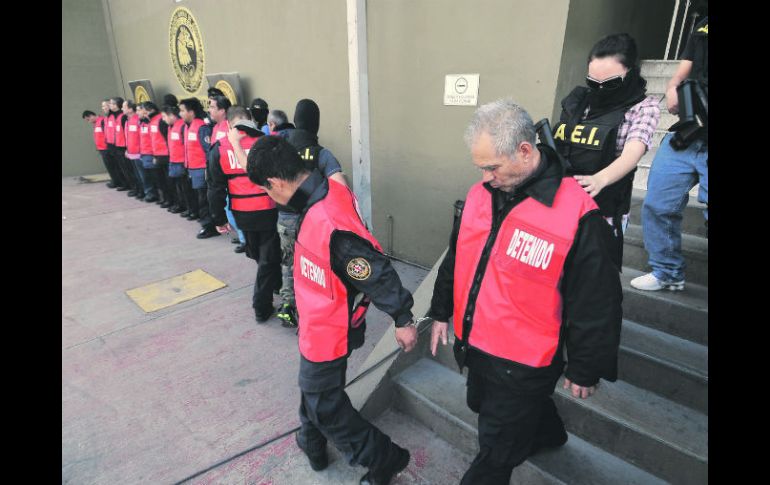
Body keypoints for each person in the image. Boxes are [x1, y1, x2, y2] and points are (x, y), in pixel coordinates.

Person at [429, 99, 622, 485]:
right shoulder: (482, 193)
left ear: (524, 150)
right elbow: (458, 256)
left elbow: (597, 300)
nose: (486, 177)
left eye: (492, 167)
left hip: (525, 361)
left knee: (495, 450)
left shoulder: (578, 215)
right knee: (479, 403)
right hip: (478, 340)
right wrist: (439, 310)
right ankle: (548, 434)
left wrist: (586, 366)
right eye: (480, 167)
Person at [245, 135, 417, 485]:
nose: (268, 196)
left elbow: (374, 270)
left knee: (324, 403)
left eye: (265, 190)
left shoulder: (328, 222)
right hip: (317, 323)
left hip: (330, 332)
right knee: (315, 391)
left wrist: (402, 317)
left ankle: (384, 458)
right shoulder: (323, 192)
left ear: (276, 183)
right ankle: (312, 441)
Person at [553, 33, 660, 269]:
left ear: (630, 72)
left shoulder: (644, 107)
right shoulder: (579, 100)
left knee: (593, 283)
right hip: (562, 206)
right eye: (593, 83)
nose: (600, 90)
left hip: (604, 212)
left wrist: (599, 179)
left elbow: (633, 153)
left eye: (610, 83)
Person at [631, 16, 708, 292]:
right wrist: (673, 86)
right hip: (689, 130)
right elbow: (685, 67)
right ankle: (667, 272)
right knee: (658, 203)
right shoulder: (703, 23)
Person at [276, 98, 349, 328]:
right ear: (316, 124)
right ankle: (312, 309)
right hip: (313, 221)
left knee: (288, 263)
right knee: (314, 265)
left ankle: (288, 306)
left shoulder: (279, 150)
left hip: (285, 217)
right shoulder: (321, 154)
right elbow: (342, 187)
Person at [210, 106, 281, 322]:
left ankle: (267, 294)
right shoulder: (266, 143)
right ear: (250, 119)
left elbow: (214, 187)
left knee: (262, 257)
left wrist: (218, 219)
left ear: (229, 124)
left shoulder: (220, 148)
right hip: (268, 211)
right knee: (266, 258)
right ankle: (263, 301)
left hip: (242, 214)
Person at [209, 94, 247, 252]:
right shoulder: (216, 127)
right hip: (221, 175)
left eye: (212, 106)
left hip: (231, 177)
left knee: (233, 209)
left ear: (222, 110)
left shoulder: (229, 128)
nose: (209, 110)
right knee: (228, 210)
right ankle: (241, 236)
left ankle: (245, 240)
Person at [179, 97, 215, 234]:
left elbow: (208, 151)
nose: (180, 113)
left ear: (191, 112)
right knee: (199, 198)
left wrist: (208, 170)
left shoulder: (202, 128)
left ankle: (209, 227)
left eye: (182, 110)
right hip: (193, 169)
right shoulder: (188, 127)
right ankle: (206, 222)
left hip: (202, 170)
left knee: (204, 199)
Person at [161, 104, 189, 215]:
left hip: (181, 162)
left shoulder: (182, 126)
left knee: (185, 187)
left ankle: (189, 208)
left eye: (164, 116)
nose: (163, 120)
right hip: (173, 160)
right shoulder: (170, 127)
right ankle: (182, 205)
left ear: (172, 116)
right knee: (178, 186)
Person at [122, 100, 145, 199]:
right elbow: (128, 137)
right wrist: (127, 149)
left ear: (131, 109)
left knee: (142, 175)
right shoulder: (127, 120)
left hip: (139, 153)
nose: (122, 108)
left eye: (124, 107)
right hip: (131, 152)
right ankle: (139, 190)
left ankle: (146, 192)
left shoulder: (137, 120)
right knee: (136, 174)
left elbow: (142, 137)